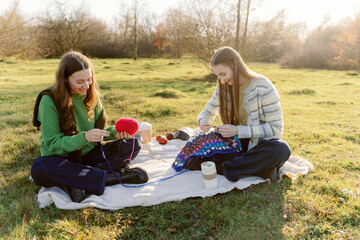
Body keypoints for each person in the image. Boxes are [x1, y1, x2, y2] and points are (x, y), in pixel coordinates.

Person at [31, 51, 148, 203]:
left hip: (89, 156)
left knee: (134, 143)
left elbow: (101, 131)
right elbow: (52, 143)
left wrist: (117, 133)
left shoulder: (91, 95)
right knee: (40, 168)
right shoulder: (49, 100)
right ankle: (113, 177)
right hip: (62, 158)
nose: (86, 86)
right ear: (65, 79)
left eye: (89, 79)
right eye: (79, 82)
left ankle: (79, 181)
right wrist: (84, 137)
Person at [189, 46, 291, 182]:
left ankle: (223, 169)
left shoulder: (263, 86)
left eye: (223, 74)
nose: (222, 80)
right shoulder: (222, 87)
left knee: (281, 150)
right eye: (218, 76)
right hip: (234, 143)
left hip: (259, 144)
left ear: (234, 65)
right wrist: (202, 120)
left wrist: (238, 130)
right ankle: (261, 169)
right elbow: (208, 111)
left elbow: (275, 128)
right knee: (195, 150)